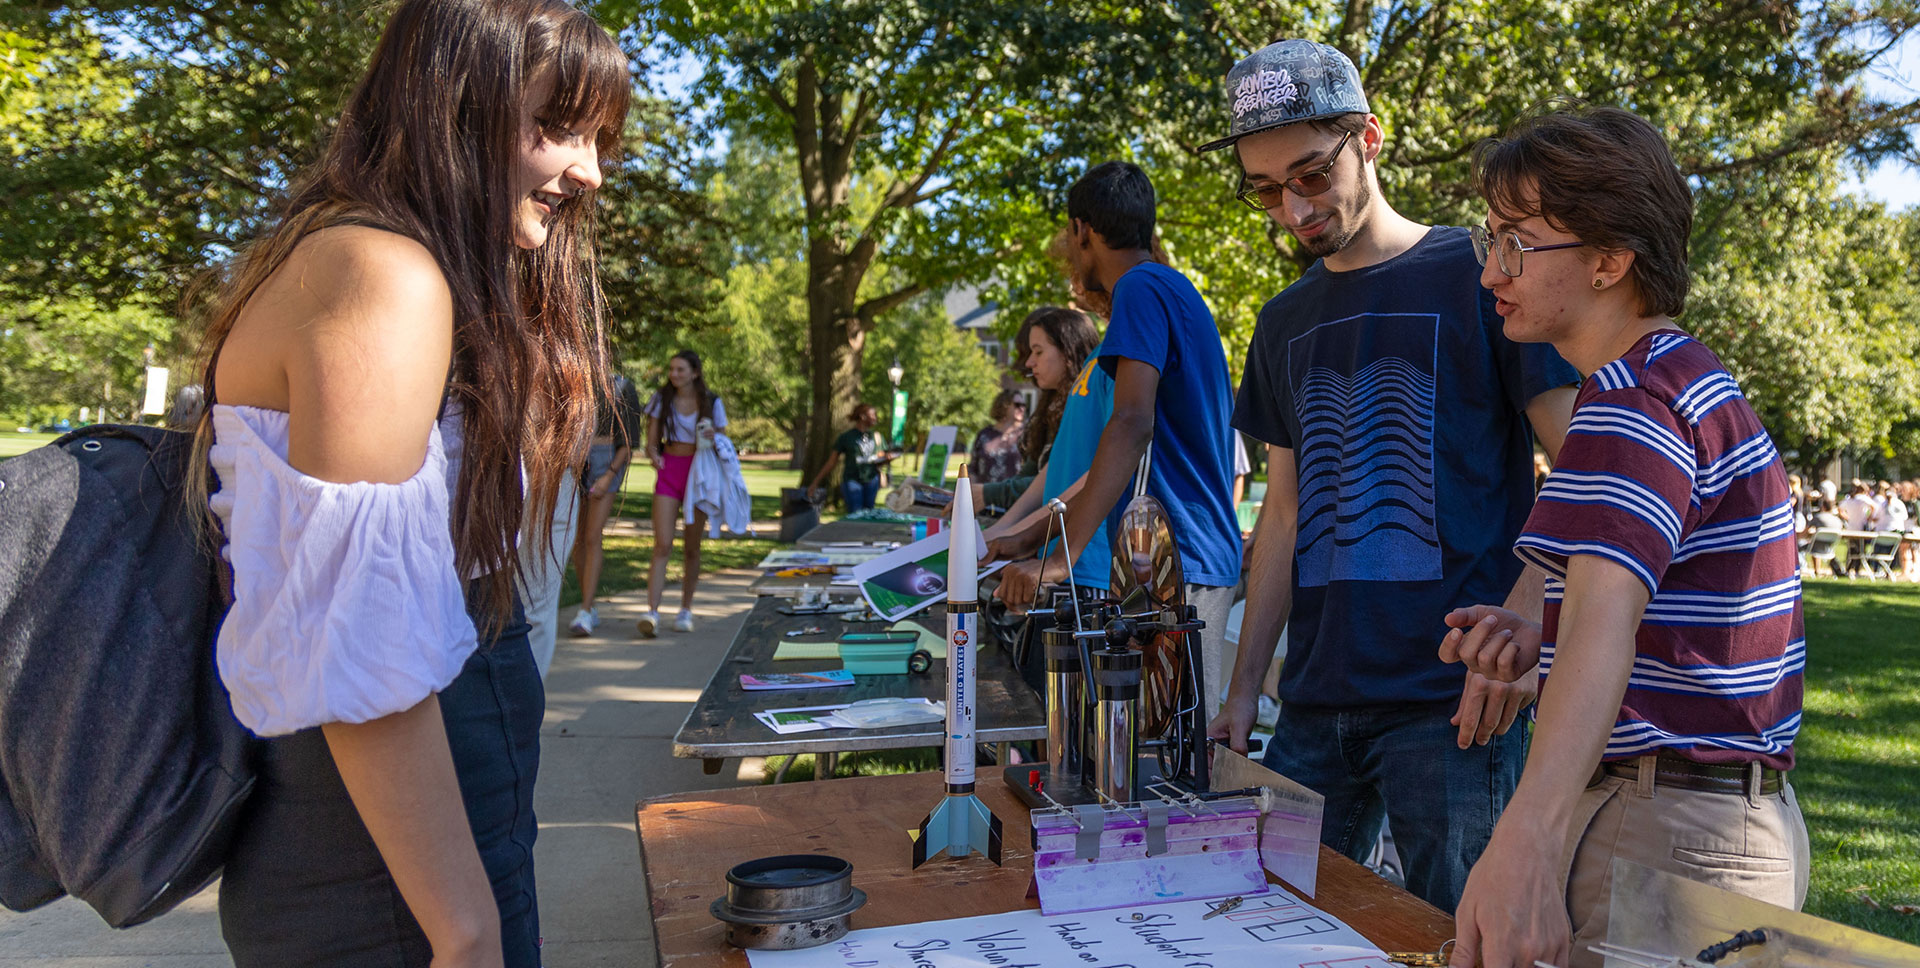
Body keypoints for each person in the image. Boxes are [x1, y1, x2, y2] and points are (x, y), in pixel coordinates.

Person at [189, 1, 626, 963]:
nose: (588, 170)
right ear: (454, 104)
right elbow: (360, 637)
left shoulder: (391, 264)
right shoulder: (380, 273)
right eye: (554, 125)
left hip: (428, 851)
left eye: (596, 137)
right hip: (387, 885)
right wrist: (464, 931)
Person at [1198, 39, 1580, 912]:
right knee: (1272, 928)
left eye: (1308, 175)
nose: (1292, 207)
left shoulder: (1483, 275)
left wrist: (1523, 626)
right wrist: (1245, 688)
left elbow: (1584, 467)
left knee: (1463, 934)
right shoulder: (1281, 319)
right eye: (1264, 188)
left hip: (1451, 705)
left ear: (1369, 138)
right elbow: (1283, 518)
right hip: (1310, 708)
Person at [1442, 105, 1808, 968]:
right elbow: (1658, 618)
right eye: (1487, 240)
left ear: (1610, 261)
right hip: (1727, 822)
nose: (1492, 271)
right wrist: (1541, 635)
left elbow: (1604, 632)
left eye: (1518, 244)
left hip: (1665, 825)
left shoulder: (1627, 402)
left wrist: (1523, 842)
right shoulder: (1684, 382)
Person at [994, 161, 1242, 723]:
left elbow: (1131, 423)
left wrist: (1061, 558)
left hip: (1176, 561)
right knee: (1152, 763)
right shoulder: (1166, 288)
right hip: (1173, 559)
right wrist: (1036, 532)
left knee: (1165, 772)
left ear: (1082, 231)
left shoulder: (1140, 287)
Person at [637, 350, 727, 636]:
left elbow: (724, 441)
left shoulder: (711, 402)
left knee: (691, 547)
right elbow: (651, 443)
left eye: (681, 370)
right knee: (662, 544)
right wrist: (654, 457)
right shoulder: (660, 399)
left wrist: (716, 437)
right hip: (670, 470)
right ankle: (652, 612)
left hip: (699, 473)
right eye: (672, 369)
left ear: (695, 373)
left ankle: (685, 610)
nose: (674, 374)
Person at [568, 370, 642, 637]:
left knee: (591, 536)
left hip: (606, 460)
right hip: (576, 460)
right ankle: (590, 605)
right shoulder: (576, 381)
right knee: (577, 539)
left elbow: (629, 442)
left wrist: (609, 474)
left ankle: (585, 611)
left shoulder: (622, 386)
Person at [807, 403, 895, 512]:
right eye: (872, 415)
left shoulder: (876, 436)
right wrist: (815, 483)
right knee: (856, 513)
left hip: (871, 481)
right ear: (862, 417)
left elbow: (879, 460)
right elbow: (831, 462)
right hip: (852, 481)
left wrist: (887, 459)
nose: (875, 418)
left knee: (869, 514)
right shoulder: (846, 437)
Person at [968, 389, 1027, 485]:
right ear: (1004, 405)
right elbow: (973, 469)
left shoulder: (1026, 434)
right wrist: (972, 493)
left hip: (1017, 497)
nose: (1022, 408)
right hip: (984, 496)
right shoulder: (984, 435)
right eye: (1017, 404)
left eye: (1024, 405)